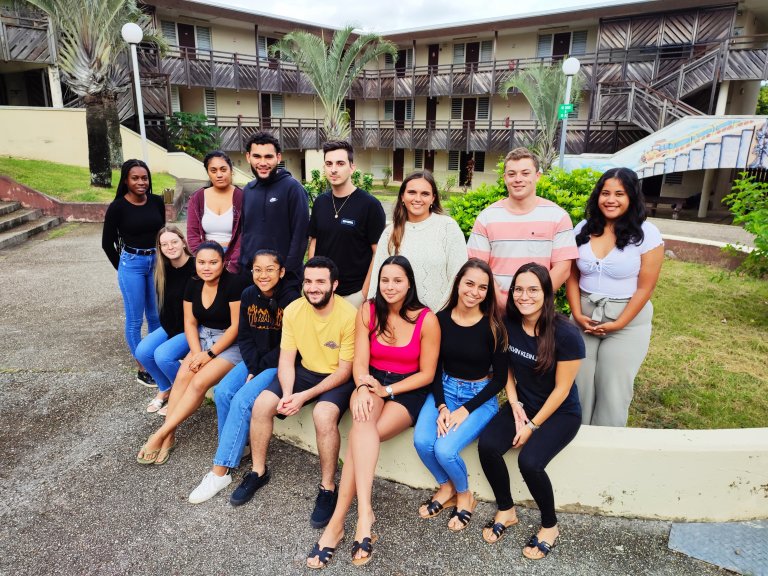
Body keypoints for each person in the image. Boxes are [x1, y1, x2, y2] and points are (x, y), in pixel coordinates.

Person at [306, 255, 439, 568]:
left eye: (397, 280)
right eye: (385, 280)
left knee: (361, 439)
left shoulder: (426, 319)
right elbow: (360, 363)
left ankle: (336, 524)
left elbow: (427, 374)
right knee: (363, 425)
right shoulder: (368, 310)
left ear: (409, 284)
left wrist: (388, 391)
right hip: (371, 380)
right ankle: (364, 514)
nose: (390, 287)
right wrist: (364, 387)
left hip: (408, 389)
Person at [229, 257, 356, 531]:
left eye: (320, 281)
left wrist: (304, 396)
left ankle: (328, 487)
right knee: (262, 404)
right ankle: (258, 472)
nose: (313, 287)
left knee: (323, 415)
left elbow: (345, 371)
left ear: (334, 284)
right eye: (308, 281)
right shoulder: (294, 310)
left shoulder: (349, 315)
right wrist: (288, 394)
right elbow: (286, 360)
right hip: (305, 370)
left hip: (337, 377)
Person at [477, 263, 584, 559]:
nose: (525, 296)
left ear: (547, 293)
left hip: (561, 412)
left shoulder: (566, 334)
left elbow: (562, 390)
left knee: (530, 462)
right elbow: (507, 370)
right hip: (523, 405)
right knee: (488, 446)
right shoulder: (509, 324)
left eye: (533, 290)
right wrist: (514, 404)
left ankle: (550, 525)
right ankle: (506, 509)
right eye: (519, 289)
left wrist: (532, 426)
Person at [188, 249, 300, 503]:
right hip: (254, 361)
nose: (263, 275)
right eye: (257, 270)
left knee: (242, 400)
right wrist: (251, 367)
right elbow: (245, 337)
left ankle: (220, 470)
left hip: (279, 362)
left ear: (281, 272)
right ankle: (234, 449)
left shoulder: (292, 300)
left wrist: (258, 369)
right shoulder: (249, 294)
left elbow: (288, 346)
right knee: (223, 392)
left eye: (270, 269)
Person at [413, 258, 508, 532]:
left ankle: (465, 495)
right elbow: (434, 368)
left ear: (488, 292)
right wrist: (442, 406)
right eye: (469, 284)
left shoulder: (494, 327)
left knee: (445, 450)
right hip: (445, 389)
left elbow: (500, 380)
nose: (474, 292)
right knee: (422, 442)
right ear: (458, 284)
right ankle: (446, 487)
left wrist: (465, 410)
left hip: (479, 398)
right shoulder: (440, 320)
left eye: (482, 287)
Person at [566, 168, 664, 426]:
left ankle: (607, 440)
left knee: (613, 388)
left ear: (632, 196)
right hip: (584, 317)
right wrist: (577, 314)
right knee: (578, 383)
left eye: (619, 194)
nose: (611, 200)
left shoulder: (647, 234)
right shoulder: (583, 229)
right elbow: (572, 276)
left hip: (627, 322)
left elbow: (645, 288)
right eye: (605, 193)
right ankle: (576, 436)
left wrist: (619, 323)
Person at [136, 242, 246, 465]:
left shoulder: (234, 284)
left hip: (230, 343)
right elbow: (190, 322)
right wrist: (196, 353)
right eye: (202, 262)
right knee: (182, 379)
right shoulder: (193, 283)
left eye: (213, 262)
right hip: (202, 339)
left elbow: (236, 327)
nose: (207, 267)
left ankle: (159, 434)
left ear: (224, 263)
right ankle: (169, 436)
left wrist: (209, 355)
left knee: (197, 383)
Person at [467, 147, 578, 308]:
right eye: (512, 174)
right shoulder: (487, 217)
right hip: (496, 310)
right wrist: (503, 304)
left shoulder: (558, 216)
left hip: (539, 311)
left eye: (525, 173)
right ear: (505, 178)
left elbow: (563, 269)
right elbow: (479, 268)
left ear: (537, 176)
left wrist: (532, 302)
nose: (518, 179)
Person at [102, 159, 166, 387]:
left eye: (144, 178)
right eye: (135, 178)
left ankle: (155, 359)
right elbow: (107, 243)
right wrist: (123, 267)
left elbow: (163, 234)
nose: (141, 182)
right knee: (135, 319)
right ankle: (143, 367)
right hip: (132, 263)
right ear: (126, 181)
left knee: (156, 316)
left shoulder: (157, 201)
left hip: (156, 262)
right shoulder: (118, 207)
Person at [368, 171, 467, 311]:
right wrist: (373, 310)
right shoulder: (390, 233)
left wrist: (438, 314)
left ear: (433, 198)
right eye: (412, 192)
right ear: (402, 196)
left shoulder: (448, 228)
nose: (418, 198)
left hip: (440, 315)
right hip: (397, 317)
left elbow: (459, 276)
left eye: (425, 194)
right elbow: (377, 279)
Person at [308, 140, 386, 309]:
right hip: (322, 292)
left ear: (352, 167)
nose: (333, 169)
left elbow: (378, 253)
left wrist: (364, 293)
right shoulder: (320, 202)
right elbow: (314, 242)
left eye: (340, 163)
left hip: (354, 294)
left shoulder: (370, 205)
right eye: (329, 164)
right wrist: (311, 281)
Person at [135, 226, 196, 414]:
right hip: (172, 326)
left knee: (163, 355)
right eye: (164, 244)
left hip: (193, 328)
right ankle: (166, 388)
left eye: (174, 242)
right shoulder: (162, 270)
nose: (170, 247)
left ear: (183, 242)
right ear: (160, 248)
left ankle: (183, 393)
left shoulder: (196, 267)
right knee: (143, 351)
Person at [238, 132, 309, 291]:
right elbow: (245, 232)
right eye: (257, 156)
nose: (263, 162)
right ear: (248, 157)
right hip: (252, 277)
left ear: (278, 157)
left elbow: (300, 235)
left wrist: (287, 272)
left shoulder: (293, 188)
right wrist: (243, 264)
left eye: (268, 157)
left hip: (285, 279)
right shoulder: (248, 190)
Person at [186, 151, 243, 273]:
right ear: (208, 173)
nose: (219, 175)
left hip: (235, 261)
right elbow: (192, 235)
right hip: (206, 260)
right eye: (213, 170)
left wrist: (231, 265)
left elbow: (245, 236)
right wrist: (205, 261)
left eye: (223, 169)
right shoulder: (197, 198)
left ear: (231, 170)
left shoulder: (243, 197)